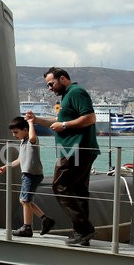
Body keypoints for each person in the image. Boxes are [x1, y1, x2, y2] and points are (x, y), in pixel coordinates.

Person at [28, 67, 100, 246]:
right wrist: (37, 120)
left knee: (60, 186)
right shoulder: (67, 96)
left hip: (75, 149)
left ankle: (84, 229)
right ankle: (81, 233)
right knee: (78, 190)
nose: (49, 88)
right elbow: (58, 121)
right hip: (74, 149)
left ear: (62, 78)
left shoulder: (76, 92)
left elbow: (90, 118)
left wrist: (65, 125)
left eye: (51, 84)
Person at [0, 115, 55, 237]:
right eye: (12, 133)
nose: (14, 135)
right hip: (27, 174)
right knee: (24, 200)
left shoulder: (32, 140)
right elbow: (19, 159)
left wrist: (31, 122)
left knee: (25, 200)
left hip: (32, 175)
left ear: (25, 130)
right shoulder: (23, 142)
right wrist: (6, 166)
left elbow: (32, 137)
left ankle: (27, 228)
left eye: (16, 132)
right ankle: (45, 219)